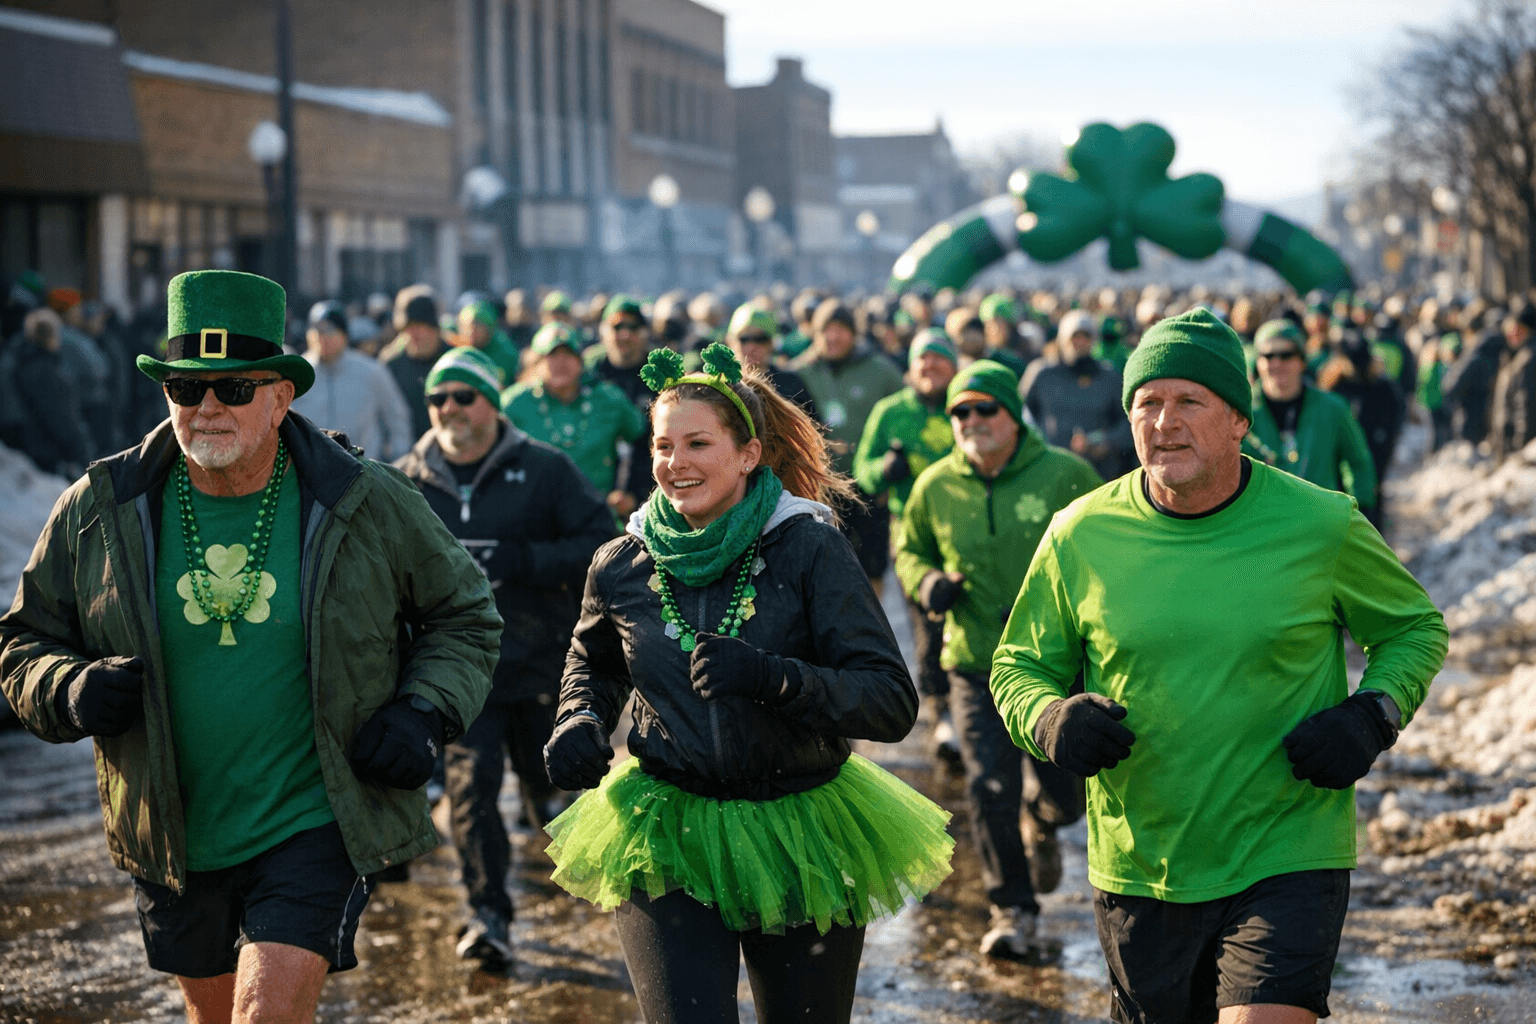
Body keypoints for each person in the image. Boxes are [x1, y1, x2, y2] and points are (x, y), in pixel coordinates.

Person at [0, 269, 501, 1024]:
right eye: (184, 387)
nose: (206, 407)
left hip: (313, 818)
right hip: (174, 830)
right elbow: (22, 641)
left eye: (233, 388)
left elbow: (465, 613)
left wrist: (423, 710)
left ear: (281, 395)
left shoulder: (363, 497)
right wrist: (67, 688)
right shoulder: (101, 507)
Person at [990, 307, 1447, 1024]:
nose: (1163, 422)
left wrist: (1372, 714)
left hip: (1287, 846)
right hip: (1144, 861)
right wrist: (1050, 720)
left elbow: (1414, 628)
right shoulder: (1080, 533)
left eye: (1188, 401)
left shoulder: (1321, 523)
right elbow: (1017, 666)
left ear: (1238, 419)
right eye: (1147, 403)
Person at [541, 343, 953, 1024]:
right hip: (667, 827)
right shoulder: (621, 562)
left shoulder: (809, 546)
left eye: (698, 443)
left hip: (800, 829)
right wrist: (578, 719)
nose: (676, 463)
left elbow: (888, 700)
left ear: (748, 454)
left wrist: (773, 678)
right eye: (663, 445)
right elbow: (593, 664)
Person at [396, 346, 612, 971]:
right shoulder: (408, 479)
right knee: (472, 791)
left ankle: (569, 843)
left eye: (464, 396)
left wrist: (528, 560)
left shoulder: (544, 469)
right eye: (438, 398)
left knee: (549, 782)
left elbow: (603, 542)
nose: (449, 408)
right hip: (458, 672)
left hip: (539, 659)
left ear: (492, 402)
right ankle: (488, 914)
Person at [896, 358, 1100, 960]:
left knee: (1068, 794)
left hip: (1055, 665)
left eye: (986, 408)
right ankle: (1012, 908)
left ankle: (1046, 817)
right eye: (960, 411)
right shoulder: (936, 485)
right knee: (988, 787)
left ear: (1013, 415)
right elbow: (909, 547)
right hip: (975, 662)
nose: (972, 420)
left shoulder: (1066, 475)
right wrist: (926, 580)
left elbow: (1112, 545)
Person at [852, 329, 958, 720]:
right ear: (910, 369)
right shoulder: (891, 411)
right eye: (921, 359)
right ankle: (937, 703)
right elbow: (862, 470)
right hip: (911, 533)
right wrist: (884, 469)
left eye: (939, 357)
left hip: (966, 528)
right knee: (926, 620)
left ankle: (975, 693)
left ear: (954, 364)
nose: (929, 365)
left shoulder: (969, 407)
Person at [792, 300, 905, 585]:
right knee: (823, 570)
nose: (833, 337)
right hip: (819, 488)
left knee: (871, 568)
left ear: (854, 334)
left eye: (841, 329)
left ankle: (873, 615)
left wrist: (890, 464)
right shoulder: (799, 373)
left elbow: (904, 412)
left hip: (868, 486)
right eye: (826, 330)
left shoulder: (880, 370)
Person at [503, 322, 646, 519]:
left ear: (580, 360)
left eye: (568, 354)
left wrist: (632, 492)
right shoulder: (514, 403)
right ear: (537, 362)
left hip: (595, 514)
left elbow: (645, 441)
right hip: (533, 515)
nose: (561, 363)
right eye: (552, 355)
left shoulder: (608, 399)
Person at [1243, 319, 1377, 516]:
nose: (1277, 363)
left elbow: (1358, 463)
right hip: (1261, 523)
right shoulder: (1240, 413)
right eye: (1268, 356)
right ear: (1257, 362)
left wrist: (1357, 510)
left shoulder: (1332, 408)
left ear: (1301, 360)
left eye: (1286, 355)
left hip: (1319, 522)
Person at [291, 300, 415, 462]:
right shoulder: (298, 373)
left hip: (362, 469)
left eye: (330, 330)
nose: (322, 337)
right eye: (317, 331)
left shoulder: (371, 371)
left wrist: (397, 461)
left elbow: (397, 418)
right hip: (310, 469)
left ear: (344, 335)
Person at [1022, 309, 1135, 481]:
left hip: (1099, 471)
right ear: (1062, 339)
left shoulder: (1108, 377)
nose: (1080, 342)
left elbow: (1127, 422)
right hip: (1050, 469)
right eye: (1074, 337)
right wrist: (1042, 446)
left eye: (1086, 336)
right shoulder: (1042, 374)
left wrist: (1106, 441)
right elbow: (1023, 418)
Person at [379, 285, 451, 442]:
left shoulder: (453, 359)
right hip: (406, 448)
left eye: (421, 326)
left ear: (435, 328)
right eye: (408, 327)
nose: (414, 334)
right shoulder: (391, 364)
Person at [723, 303, 818, 417]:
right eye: (744, 339)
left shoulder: (791, 384)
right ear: (730, 341)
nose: (751, 346)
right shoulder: (720, 385)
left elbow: (812, 423)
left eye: (760, 339)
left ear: (771, 344)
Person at [1488, 299, 1536, 462]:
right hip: (1510, 442)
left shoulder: (1527, 359)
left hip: (1518, 446)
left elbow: (1525, 405)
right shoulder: (1514, 355)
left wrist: (1521, 447)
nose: (1510, 334)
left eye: (1515, 330)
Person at [456, 298, 522, 386]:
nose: (471, 332)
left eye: (477, 327)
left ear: (488, 328)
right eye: (466, 327)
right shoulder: (456, 350)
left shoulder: (506, 353)